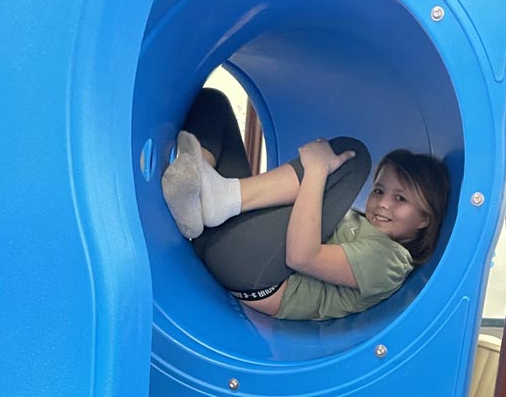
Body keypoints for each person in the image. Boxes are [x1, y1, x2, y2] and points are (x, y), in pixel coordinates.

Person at [161, 88, 449, 320]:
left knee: (352, 156)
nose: (383, 203)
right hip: (220, 240)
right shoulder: (356, 220)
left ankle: (220, 197)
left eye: (400, 198)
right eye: (378, 190)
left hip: (254, 274)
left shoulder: (390, 260)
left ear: (425, 218)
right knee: (213, 102)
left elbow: (301, 257)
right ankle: (199, 189)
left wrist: (316, 170)